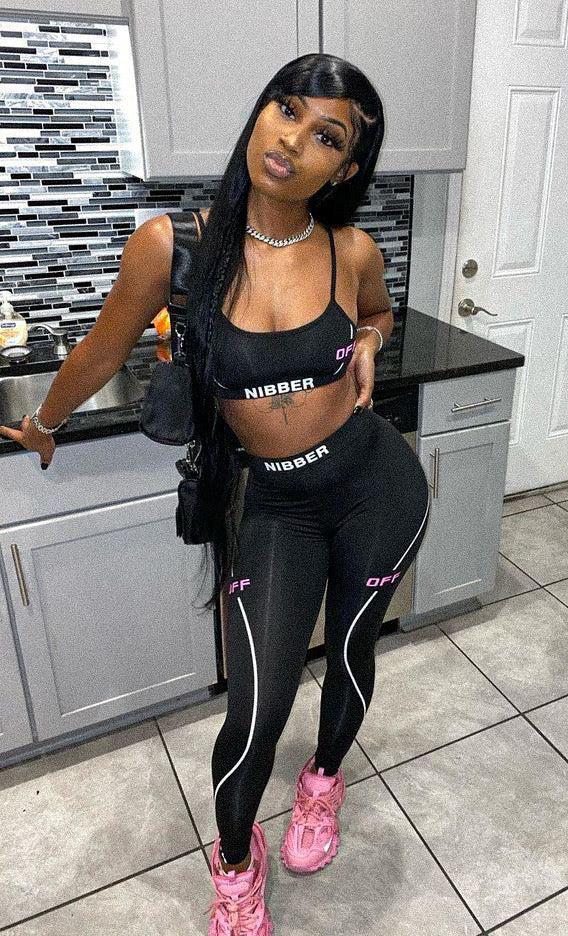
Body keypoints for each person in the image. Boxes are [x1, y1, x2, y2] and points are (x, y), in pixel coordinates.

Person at [0, 52, 431, 935]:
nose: (292, 140)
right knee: (258, 704)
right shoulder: (176, 247)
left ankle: (322, 783)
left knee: (352, 647)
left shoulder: (350, 249)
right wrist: (43, 422)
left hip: (375, 486)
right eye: (286, 109)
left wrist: (369, 342)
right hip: (274, 505)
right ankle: (236, 862)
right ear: (261, 113)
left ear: (343, 169)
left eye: (326, 136)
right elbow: (103, 348)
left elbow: (379, 313)